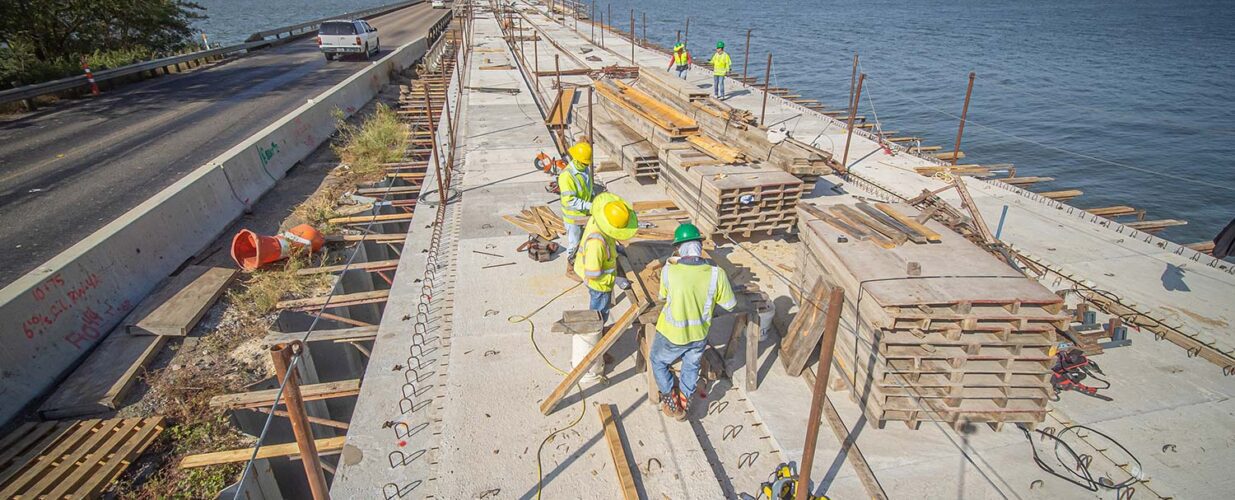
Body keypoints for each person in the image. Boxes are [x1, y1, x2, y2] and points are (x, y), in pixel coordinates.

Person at [652, 223, 737, 420]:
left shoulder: (669, 271)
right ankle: (684, 400)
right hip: (699, 335)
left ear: (679, 248)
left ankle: (670, 399)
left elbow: (662, 297)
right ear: (699, 246)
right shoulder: (717, 274)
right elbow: (731, 305)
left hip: (670, 334)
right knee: (691, 366)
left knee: (658, 361)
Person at [575, 192, 639, 324]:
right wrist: (615, 278)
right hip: (599, 285)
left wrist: (615, 250)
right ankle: (596, 334)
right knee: (599, 313)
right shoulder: (596, 244)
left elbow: (608, 238)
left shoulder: (599, 221)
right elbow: (593, 273)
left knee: (600, 309)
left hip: (601, 278)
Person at [558, 141, 595, 279]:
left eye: (587, 163)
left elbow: (587, 188)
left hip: (584, 213)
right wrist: (589, 206)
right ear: (577, 159)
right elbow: (570, 200)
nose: (586, 165)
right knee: (574, 243)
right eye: (584, 163)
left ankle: (580, 263)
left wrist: (593, 199)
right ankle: (570, 269)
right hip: (573, 216)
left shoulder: (584, 169)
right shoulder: (566, 176)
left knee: (583, 241)